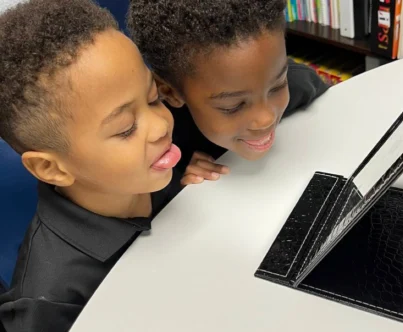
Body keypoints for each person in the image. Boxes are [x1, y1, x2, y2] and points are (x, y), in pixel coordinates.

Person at [0, 0, 182, 331]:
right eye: (126, 128)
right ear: (51, 169)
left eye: (155, 97)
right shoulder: (51, 298)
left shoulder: (155, 167)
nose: (161, 125)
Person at [127, 0, 330, 188]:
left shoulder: (299, 84)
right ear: (170, 92)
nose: (266, 119)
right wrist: (181, 187)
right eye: (233, 106)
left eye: (277, 86)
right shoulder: (157, 146)